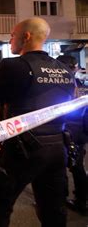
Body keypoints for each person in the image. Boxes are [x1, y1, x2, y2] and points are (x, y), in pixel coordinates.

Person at [0, 17, 76, 226]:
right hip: (58, 146)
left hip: (22, 148)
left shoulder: (13, 65)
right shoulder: (64, 69)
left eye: (12, 35)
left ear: (26, 37)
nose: (10, 39)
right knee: (54, 210)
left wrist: (8, 104)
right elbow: (71, 99)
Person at [57, 55, 87, 215]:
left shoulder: (61, 84)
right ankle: (82, 201)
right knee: (77, 167)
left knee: (58, 166)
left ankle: (59, 201)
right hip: (81, 131)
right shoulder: (81, 84)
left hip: (65, 129)